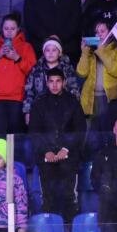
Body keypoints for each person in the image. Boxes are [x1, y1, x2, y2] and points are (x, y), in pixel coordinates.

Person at [29, 68, 86, 217]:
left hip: (69, 157)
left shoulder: (73, 102)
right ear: (47, 83)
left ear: (64, 82)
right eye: (51, 81)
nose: (54, 85)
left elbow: (80, 129)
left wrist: (66, 149)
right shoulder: (39, 104)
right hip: (46, 158)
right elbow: (34, 131)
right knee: (48, 199)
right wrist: (46, 151)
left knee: (69, 198)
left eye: (58, 81)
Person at [0, 14, 36, 136]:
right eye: (6, 29)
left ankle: (15, 156)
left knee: (15, 138)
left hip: (17, 98)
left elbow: (33, 71)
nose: (9, 32)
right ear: (2, 29)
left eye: (13, 29)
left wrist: (17, 57)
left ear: (18, 29)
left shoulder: (26, 47)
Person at [76, 19, 117, 120]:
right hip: (91, 97)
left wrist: (102, 51)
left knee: (108, 130)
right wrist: (84, 53)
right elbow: (81, 73)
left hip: (109, 97)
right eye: (97, 32)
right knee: (92, 132)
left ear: (110, 33)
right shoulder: (90, 51)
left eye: (102, 31)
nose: (99, 34)